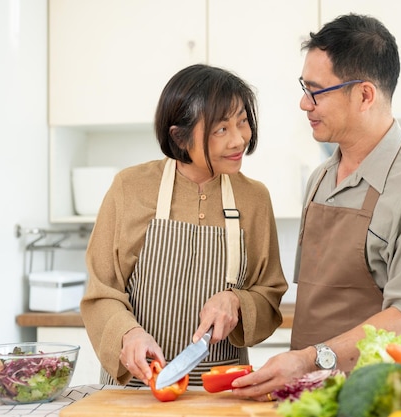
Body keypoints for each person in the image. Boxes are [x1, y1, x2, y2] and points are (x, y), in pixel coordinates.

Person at [232, 13, 401, 401]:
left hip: (377, 399)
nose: (304, 103)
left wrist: (308, 361)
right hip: (307, 397)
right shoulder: (320, 178)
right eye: (304, 87)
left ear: (365, 95)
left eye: (316, 90)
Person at [79, 64, 288, 387]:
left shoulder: (255, 198)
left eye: (243, 122)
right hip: (136, 389)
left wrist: (237, 301)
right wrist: (128, 334)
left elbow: (270, 293)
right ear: (180, 136)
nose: (239, 140)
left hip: (220, 390)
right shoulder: (130, 187)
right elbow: (101, 291)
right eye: (221, 129)